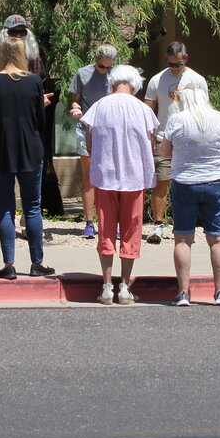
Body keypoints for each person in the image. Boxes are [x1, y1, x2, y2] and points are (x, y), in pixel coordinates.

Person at [81, 65, 158, 305]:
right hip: (134, 177)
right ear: (135, 84)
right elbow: (151, 141)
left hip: (106, 176)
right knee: (131, 228)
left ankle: (106, 287)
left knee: (106, 228)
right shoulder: (143, 109)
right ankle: (124, 286)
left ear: (112, 82)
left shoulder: (99, 106)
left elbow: (90, 143)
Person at [0, 39, 55, 280]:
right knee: (32, 206)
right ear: (24, 55)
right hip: (30, 149)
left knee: (5, 208)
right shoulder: (33, 81)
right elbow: (40, 122)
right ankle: (37, 262)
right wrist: (39, 106)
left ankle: (8, 264)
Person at [0, 14, 61, 220]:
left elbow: (41, 85)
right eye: (14, 32)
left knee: (30, 193)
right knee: (1, 187)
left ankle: (28, 223)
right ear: (4, 34)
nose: (19, 35)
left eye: (22, 31)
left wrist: (40, 100)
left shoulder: (34, 55)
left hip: (27, 127)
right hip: (3, 128)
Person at [161, 84, 220, 307]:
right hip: (214, 180)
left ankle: (183, 292)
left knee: (183, 238)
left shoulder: (177, 120)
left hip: (185, 181)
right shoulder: (219, 118)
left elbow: (165, 152)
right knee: (218, 238)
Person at [142, 40, 207, 244]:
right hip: (163, 139)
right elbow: (148, 110)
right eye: (170, 64)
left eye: (178, 64)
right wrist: (148, 135)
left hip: (189, 140)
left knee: (189, 184)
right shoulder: (157, 80)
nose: (174, 68)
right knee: (161, 182)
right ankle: (158, 225)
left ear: (185, 58)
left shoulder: (197, 80)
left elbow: (204, 110)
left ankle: (184, 225)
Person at [69, 44, 118, 239]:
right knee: (89, 177)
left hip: (110, 131)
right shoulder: (82, 73)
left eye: (108, 67)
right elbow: (75, 100)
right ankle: (89, 222)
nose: (105, 71)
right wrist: (76, 109)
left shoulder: (117, 76)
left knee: (112, 177)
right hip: (86, 128)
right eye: (101, 67)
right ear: (96, 60)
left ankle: (112, 223)